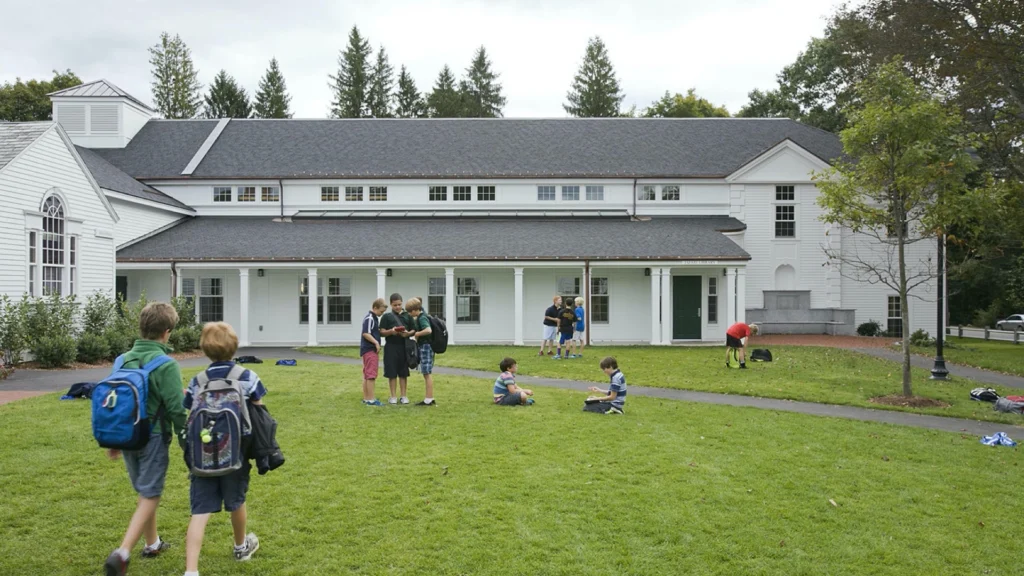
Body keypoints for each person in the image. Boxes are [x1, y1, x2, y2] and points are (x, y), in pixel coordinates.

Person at [103, 302, 188, 576]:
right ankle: (123, 551)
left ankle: (152, 544)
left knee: (144, 491)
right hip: (152, 437)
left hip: (127, 436)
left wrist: (114, 440)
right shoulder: (167, 365)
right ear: (167, 332)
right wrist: (187, 442)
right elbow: (176, 409)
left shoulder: (121, 360)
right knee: (151, 493)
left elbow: (116, 401)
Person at [182, 322, 266, 576]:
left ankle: (191, 570)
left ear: (205, 350)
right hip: (236, 454)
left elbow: (190, 411)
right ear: (234, 347)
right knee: (237, 502)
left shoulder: (197, 381)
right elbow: (259, 409)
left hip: (203, 456)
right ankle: (241, 546)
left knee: (200, 511)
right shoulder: (248, 377)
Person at [379, 292, 416, 404]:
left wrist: (407, 334)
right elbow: (381, 331)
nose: (397, 307)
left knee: (403, 372)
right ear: (391, 304)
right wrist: (391, 331)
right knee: (392, 372)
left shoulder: (408, 316)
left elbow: (414, 330)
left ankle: (404, 396)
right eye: (395, 305)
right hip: (391, 347)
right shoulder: (386, 316)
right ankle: (393, 396)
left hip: (404, 346)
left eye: (399, 304)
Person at [406, 297, 437, 406]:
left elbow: (428, 330)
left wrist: (417, 334)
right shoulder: (422, 316)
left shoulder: (422, 318)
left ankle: (428, 398)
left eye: (410, 311)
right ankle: (429, 397)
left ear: (415, 310)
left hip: (426, 347)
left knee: (426, 373)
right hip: (424, 346)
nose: (409, 314)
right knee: (426, 373)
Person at [360, 298, 387, 406]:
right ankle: (371, 399)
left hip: (367, 350)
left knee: (367, 374)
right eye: (381, 311)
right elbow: (366, 333)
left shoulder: (373, 318)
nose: (381, 314)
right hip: (370, 349)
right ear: (375, 308)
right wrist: (376, 343)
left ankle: (367, 398)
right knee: (371, 374)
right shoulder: (370, 318)